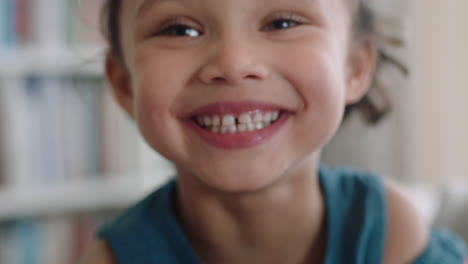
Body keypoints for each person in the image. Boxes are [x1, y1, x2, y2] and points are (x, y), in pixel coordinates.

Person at [80, 0, 467, 263]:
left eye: (283, 22)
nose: (233, 63)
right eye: (179, 30)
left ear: (355, 68)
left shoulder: (388, 234)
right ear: (125, 84)